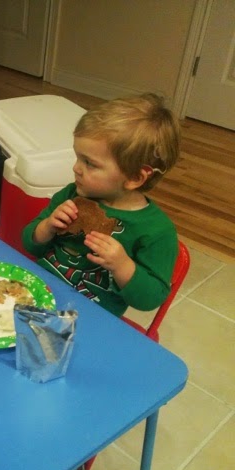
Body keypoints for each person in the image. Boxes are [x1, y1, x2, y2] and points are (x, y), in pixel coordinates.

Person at [22, 93, 180, 318]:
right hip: (38, 291)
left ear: (134, 177)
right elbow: (29, 244)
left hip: (92, 316)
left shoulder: (156, 231)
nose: (76, 168)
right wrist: (47, 227)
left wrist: (122, 266)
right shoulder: (71, 195)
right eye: (78, 157)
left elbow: (151, 299)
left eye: (89, 163)